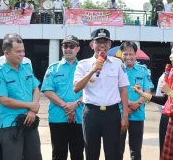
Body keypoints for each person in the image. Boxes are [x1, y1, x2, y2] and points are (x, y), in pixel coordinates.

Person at [73, 28, 129, 160]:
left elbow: (123, 90)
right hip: (91, 113)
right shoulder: (83, 64)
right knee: (91, 153)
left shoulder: (117, 63)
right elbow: (76, 88)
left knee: (113, 153)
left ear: (110, 44)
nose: (102, 45)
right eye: (98, 42)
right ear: (92, 44)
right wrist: (93, 70)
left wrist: (125, 115)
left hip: (112, 114)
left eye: (105, 42)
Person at [0, 34, 42, 160]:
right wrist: (30, 105)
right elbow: (5, 100)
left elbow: (35, 88)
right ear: (7, 53)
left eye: (23, 51)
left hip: (30, 121)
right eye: (18, 51)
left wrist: (32, 110)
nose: (22, 54)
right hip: (10, 125)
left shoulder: (26, 68)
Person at [41, 35, 84, 160]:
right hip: (58, 117)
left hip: (80, 117)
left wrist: (75, 105)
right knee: (59, 154)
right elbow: (47, 90)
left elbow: (90, 91)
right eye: (65, 46)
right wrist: (67, 107)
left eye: (71, 46)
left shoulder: (84, 67)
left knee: (77, 153)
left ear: (78, 48)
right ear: (61, 48)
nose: (68, 49)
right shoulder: (53, 68)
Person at [119, 41, 154, 160]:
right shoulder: (116, 69)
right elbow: (113, 92)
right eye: (125, 54)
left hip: (138, 115)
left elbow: (147, 92)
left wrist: (136, 105)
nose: (128, 57)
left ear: (136, 54)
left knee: (136, 151)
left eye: (131, 54)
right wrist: (129, 105)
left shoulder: (143, 70)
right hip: (119, 115)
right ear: (121, 54)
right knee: (117, 150)